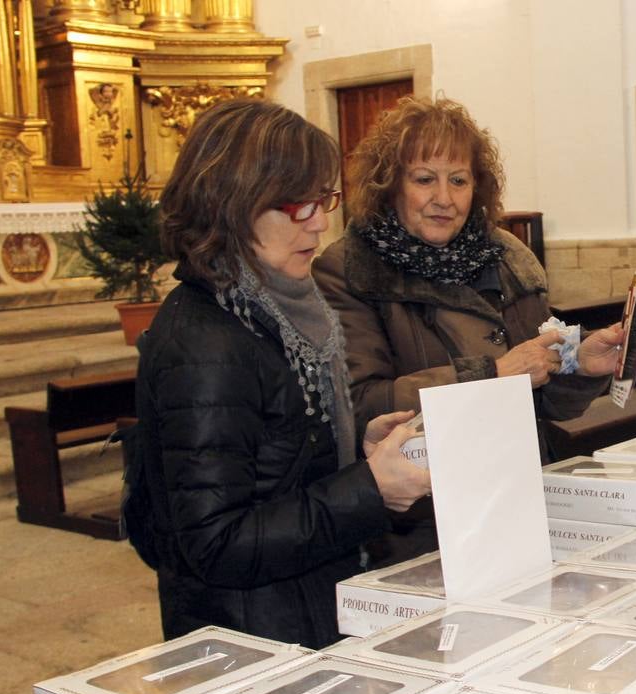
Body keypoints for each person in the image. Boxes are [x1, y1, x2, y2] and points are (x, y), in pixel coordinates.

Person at [132, 98, 432, 648]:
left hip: (304, 606)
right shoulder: (206, 342)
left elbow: (273, 461)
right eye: (297, 205)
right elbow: (215, 542)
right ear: (230, 202)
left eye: (323, 200)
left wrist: (353, 449)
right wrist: (368, 488)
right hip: (254, 637)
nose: (319, 222)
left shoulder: (277, 307)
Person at [314, 95, 624, 563]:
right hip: (424, 520)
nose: (444, 197)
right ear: (390, 185)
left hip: (519, 497)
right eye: (424, 179)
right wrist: (490, 374)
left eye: (458, 180)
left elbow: (546, 404)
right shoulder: (350, 271)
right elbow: (361, 405)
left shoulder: (506, 261)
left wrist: (579, 366)